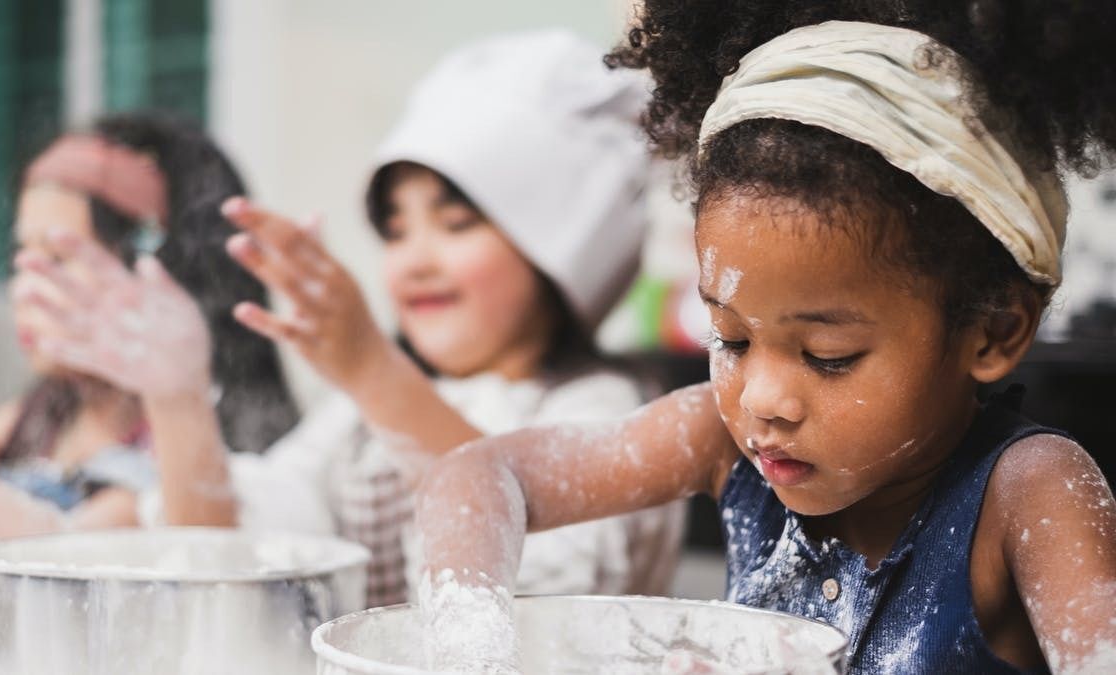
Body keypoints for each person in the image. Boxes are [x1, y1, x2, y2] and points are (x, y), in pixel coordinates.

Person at [412, 3, 1116, 673]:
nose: (764, 399)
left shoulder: (1031, 493)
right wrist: (473, 644)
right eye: (731, 339)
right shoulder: (724, 441)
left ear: (993, 332)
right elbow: (478, 476)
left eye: (827, 356)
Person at [26, 30, 686, 607]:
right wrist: (175, 397)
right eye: (395, 231)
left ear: (559, 247)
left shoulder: (606, 412)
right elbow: (233, 550)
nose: (414, 261)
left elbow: (543, 602)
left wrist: (372, 369)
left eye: (456, 223)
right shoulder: (353, 421)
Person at [0, 113, 298, 572]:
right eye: (23, 258)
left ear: (158, 274)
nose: (26, 290)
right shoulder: (43, 413)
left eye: (58, 257)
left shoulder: (189, 454)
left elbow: (59, 564)